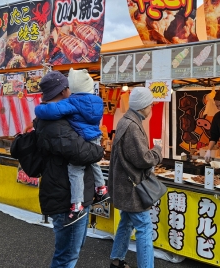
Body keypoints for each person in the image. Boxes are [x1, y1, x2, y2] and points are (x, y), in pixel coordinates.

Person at [34, 70, 104, 267]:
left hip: (70, 193)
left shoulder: (61, 116)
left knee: (72, 250)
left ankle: (100, 188)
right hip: (65, 197)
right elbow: (81, 153)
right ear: (65, 90)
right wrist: (99, 150)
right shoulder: (54, 122)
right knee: (67, 256)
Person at [108, 87, 163, 268]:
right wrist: (157, 151)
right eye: (150, 105)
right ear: (143, 106)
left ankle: (116, 260)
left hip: (124, 184)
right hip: (132, 187)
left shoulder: (126, 121)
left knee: (126, 222)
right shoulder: (132, 126)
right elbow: (143, 159)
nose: (152, 108)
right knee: (144, 228)